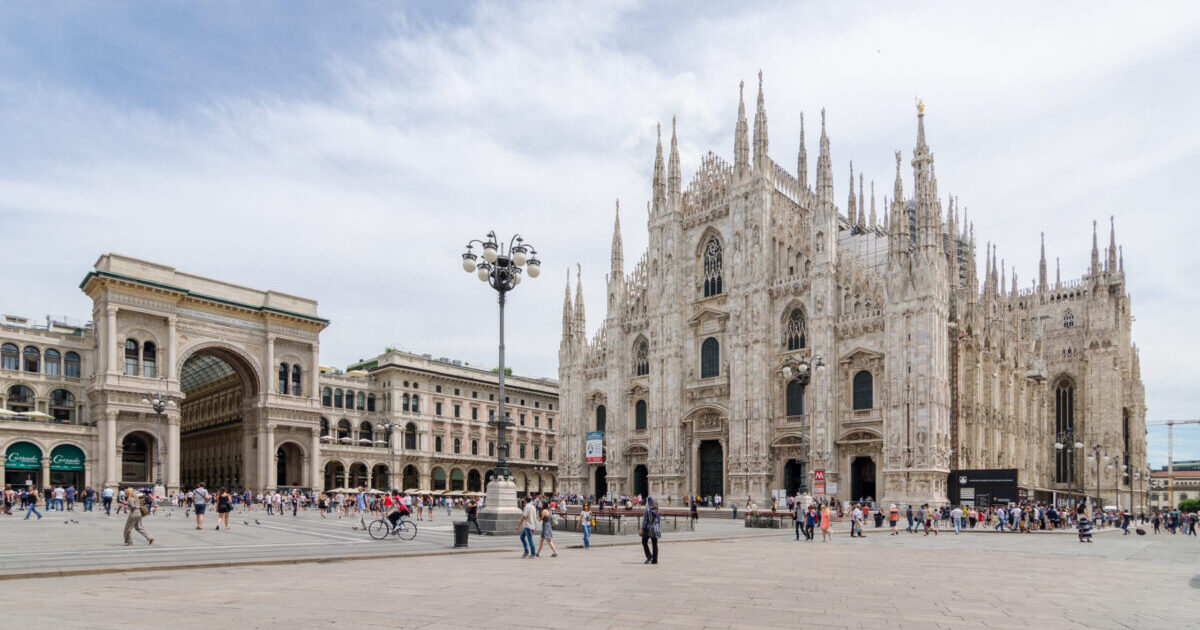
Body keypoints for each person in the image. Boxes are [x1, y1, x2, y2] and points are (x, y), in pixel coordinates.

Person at [641, 497, 661, 564]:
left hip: (649, 528)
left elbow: (645, 520)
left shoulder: (647, 509)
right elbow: (659, 520)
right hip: (656, 528)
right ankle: (655, 560)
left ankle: (649, 556)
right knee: (654, 544)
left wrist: (642, 528)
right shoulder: (658, 509)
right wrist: (658, 528)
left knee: (644, 541)